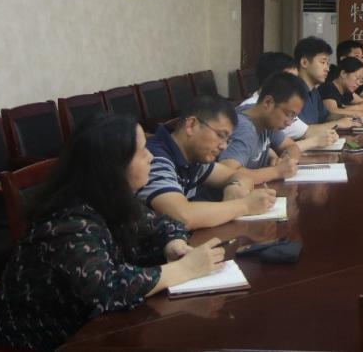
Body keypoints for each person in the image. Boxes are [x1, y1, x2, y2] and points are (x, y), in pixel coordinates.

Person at [0, 113, 225, 351]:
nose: (151, 157)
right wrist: (185, 269)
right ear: (114, 166)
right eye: (142, 151)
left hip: (96, 331)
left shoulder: (112, 198)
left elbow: (166, 225)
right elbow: (108, 288)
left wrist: (173, 245)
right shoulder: (68, 222)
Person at [137, 95, 277, 229]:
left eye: (227, 140)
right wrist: (245, 205)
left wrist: (235, 186)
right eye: (220, 135)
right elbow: (182, 216)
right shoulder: (154, 158)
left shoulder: (193, 157)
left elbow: (239, 176)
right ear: (191, 125)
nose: (223, 146)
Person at [240, 51, 344, 151]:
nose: (297, 84)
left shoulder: (279, 107)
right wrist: (316, 141)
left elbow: (285, 147)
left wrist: (273, 156)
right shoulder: (260, 111)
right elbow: (305, 134)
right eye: (290, 79)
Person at [218, 72, 306, 184]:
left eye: (293, 117)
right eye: (288, 114)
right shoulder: (244, 129)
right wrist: (277, 171)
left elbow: (291, 146)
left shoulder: (266, 120)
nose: (289, 123)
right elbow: (227, 173)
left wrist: (287, 161)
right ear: (268, 102)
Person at [293, 35, 334, 124]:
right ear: (304, 62)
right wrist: (342, 122)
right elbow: (303, 130)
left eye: (328, 64)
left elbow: (325, 117)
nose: (327, 69)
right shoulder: (293, 91)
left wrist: (351, 117)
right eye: (323, 62)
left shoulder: (314, 91)